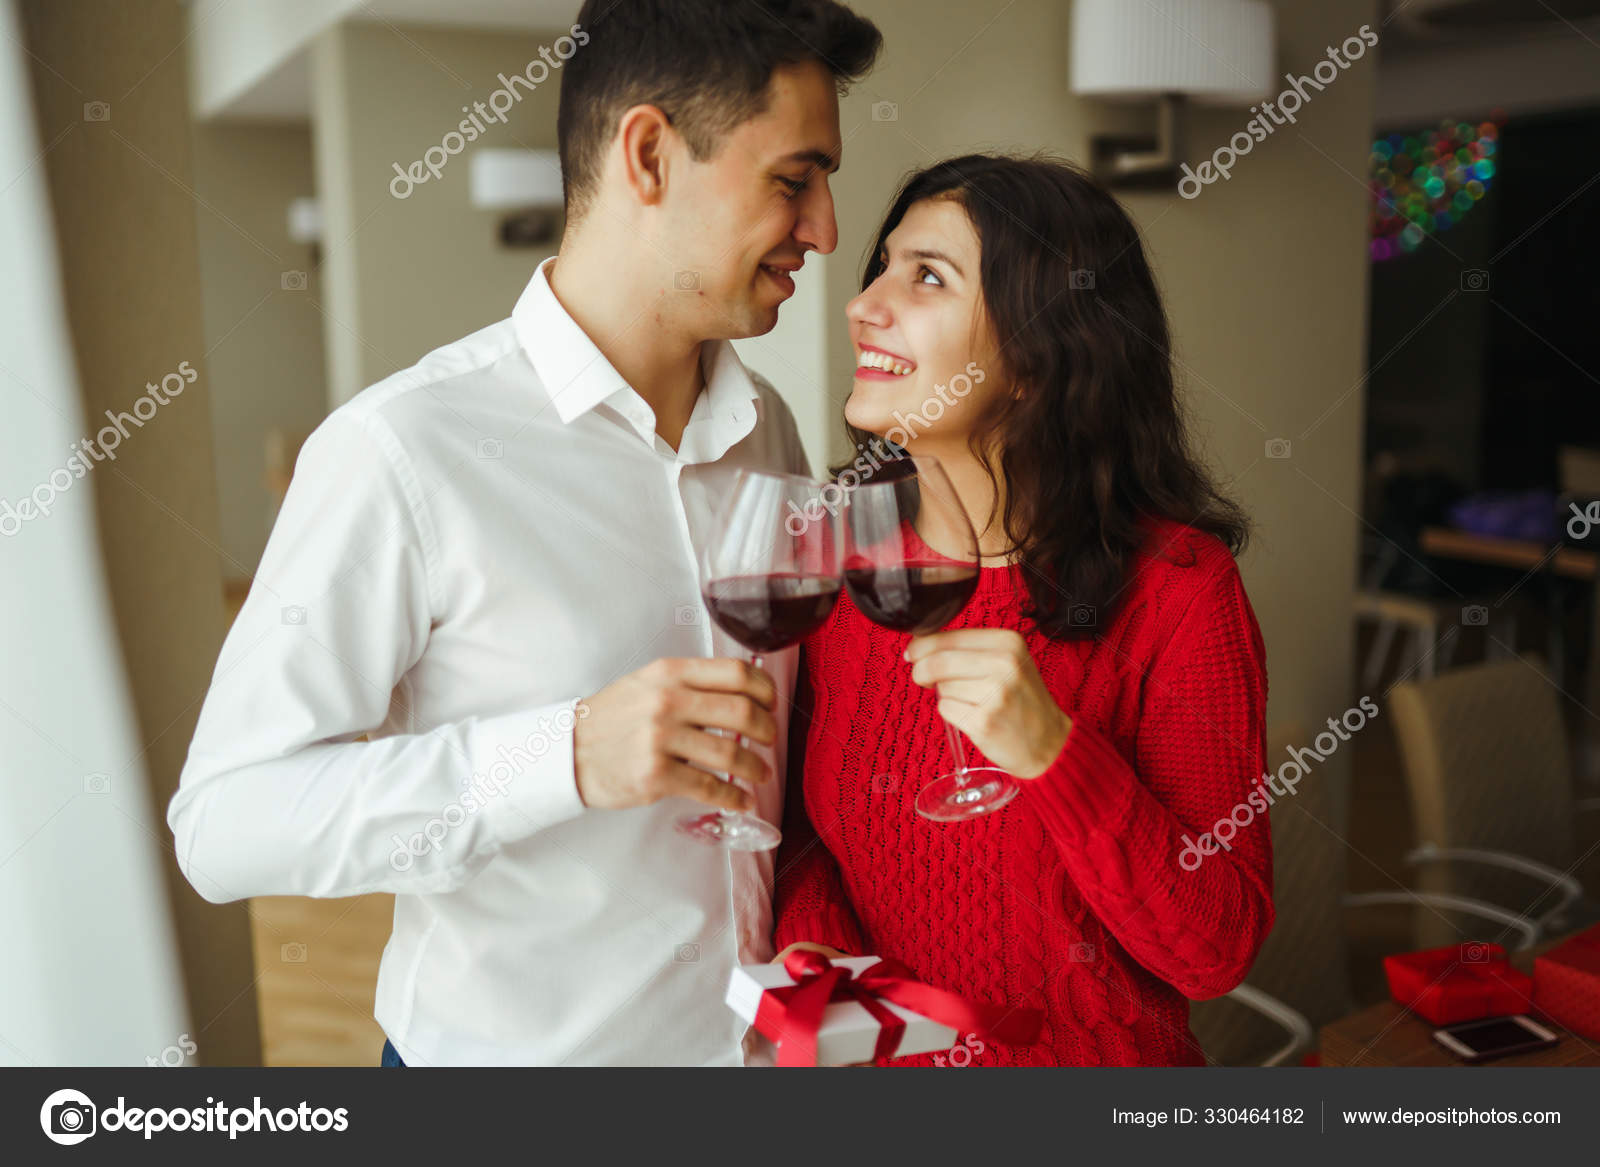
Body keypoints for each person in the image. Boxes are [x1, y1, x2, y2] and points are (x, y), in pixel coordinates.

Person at [168, 0, 881, 1067]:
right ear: (647, 153)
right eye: (793, 180)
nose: (826, 228)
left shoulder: (763, 425)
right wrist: (562, 756)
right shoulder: (401, 448)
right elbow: (224, 825)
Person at [774, 153, 1273, 1066]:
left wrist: (1054, 752)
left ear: (1040, 360)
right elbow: (806, 833)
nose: (863, 302)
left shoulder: (1180, 590)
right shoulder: (841, 555)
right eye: (881, 266)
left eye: (927, 276)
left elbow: (1217, 951)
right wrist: (812, 947)